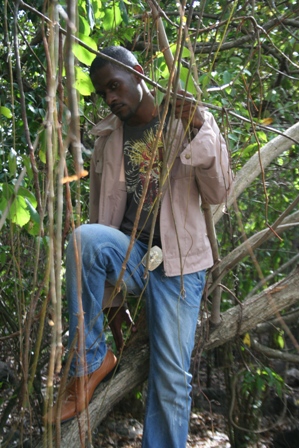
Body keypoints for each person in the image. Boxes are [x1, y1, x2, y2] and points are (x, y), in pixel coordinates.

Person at [47, 46, 233, 447]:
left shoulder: (186, 122)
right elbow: (102, 221)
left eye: (114, 86)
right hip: (130, 254)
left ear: (139, 74)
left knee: (170, 379)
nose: (111, 98)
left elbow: (218, 193)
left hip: (180, 265)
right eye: (103, 93)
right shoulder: (108, 139)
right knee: (84, 238)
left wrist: (202, 128)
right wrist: (111, 304)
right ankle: (91, 362)